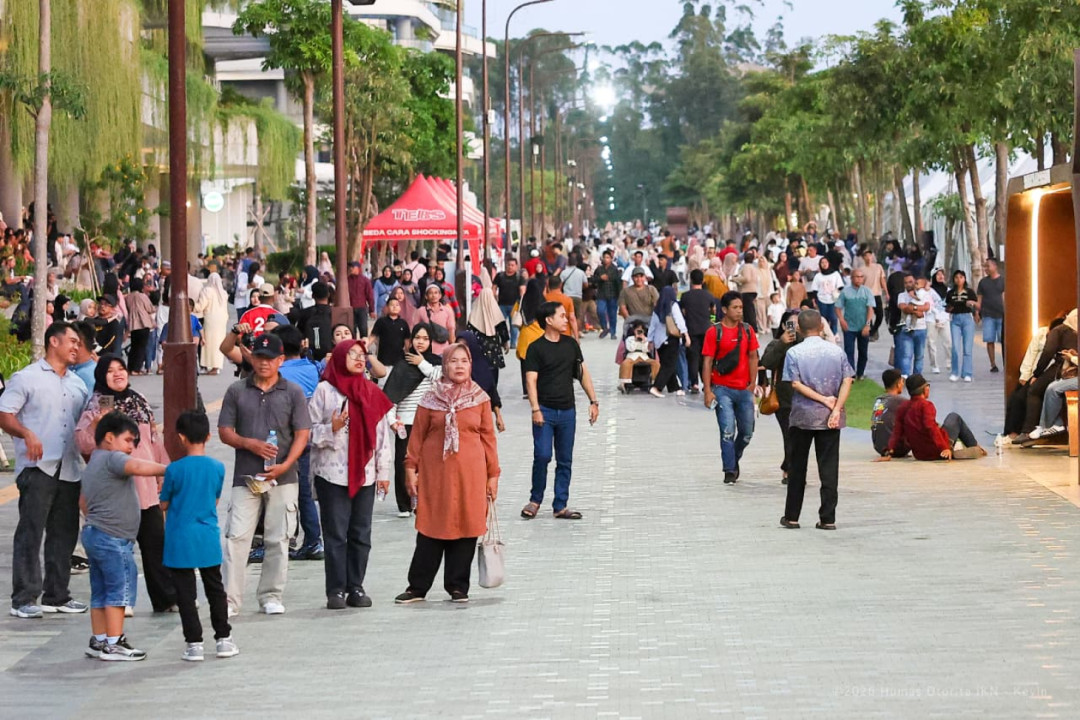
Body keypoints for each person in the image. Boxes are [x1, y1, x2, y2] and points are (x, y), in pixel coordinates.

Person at [396, 343, 500, 604]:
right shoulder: (430, 399)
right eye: (453, 361)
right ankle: (417, 587)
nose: (459, 366)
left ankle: (457, 586)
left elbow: (488, 439)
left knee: (466, 525)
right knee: (431, 526)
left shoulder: (480, 398)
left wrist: (493, 475)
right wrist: (410, 468)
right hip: (435, 475)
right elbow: (417, 437)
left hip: (471, 475)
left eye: (464, 361)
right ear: (444, 365)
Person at [218, 332, 312, 616]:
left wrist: (286, 464)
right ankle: (230, 599)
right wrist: (249, 444)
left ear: (281, 360)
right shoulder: (237, 390)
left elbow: (302, 434)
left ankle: (271, 595)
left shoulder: (293, 392)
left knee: (278, 537)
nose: (264, 363)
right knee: (237, 537)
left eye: (270, 359)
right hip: (245, 476)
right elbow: (224, 432)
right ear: (251, 357)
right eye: (259, 357)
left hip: (283, 476)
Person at [2, 323, 89, 619]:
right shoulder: (26, 378)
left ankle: (57, 595)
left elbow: (86, 421)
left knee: (64, 533)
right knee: (30, 532)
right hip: (38, 467)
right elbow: (5, 414)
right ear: (54, 341)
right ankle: (24, 598)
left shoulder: (77, 384)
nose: (77, 347)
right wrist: (26, 434)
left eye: (79, 343)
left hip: (69, 468)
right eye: (72, 341)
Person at [75, 356, 175, 613]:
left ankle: (165, 598)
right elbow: (84, 444)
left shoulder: (139, 400)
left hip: (147, 488)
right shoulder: (95, 406)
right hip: (115, 490)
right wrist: (98, 422)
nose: (118, 374)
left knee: (155, 544)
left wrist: (163, 477)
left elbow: (154, 440)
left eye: (121, 369)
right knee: (119, 549)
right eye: (110, 371)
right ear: (100, 376)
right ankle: (122, 600)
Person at [310, 340, 395, 609]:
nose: (359, 359)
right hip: (331, 474)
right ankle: (335, 590)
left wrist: (384, 472)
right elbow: (307, 431)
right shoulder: (325, 391)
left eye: (362, 355)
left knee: (361, 532)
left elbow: (382, 437)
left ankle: (355, 587)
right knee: (335, 534)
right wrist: (330, 428)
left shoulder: (371, 391)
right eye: (352, 355)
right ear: (338, 358)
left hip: (365, 473)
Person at [79, 411, 168, 661]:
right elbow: (137, 467)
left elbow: (83, 501)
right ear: (109, 437)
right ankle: (115, 643)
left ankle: (99, 640)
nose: (131, 447)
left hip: (94, 533)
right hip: (113, 539)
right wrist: (169, 470)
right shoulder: (112, 458)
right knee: (120, 589)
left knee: (100, 592)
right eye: (128, 440)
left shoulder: (94, 461)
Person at [160, 411, 239, 662]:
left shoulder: (174, 469)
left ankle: (194, 643)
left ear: (181, 437)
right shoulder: (217, 467)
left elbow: (164, 504)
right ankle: (223, 638)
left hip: (179, 537)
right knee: (215, 588)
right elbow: (215, 499)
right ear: (208, 436)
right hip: (206, 535)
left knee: (185, 594)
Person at [521, 301, 599, 520]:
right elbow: (531, 380)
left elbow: (582, 372)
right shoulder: (535, 348)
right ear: (549, 320)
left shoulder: (571, 345)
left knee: (565, 459)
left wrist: (594, 401)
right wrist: (535, 409)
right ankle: (535, 500)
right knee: (543, 455)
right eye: (562, 316)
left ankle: (560, 505)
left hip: (567, 411)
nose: (566, 319)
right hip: (544, 410)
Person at [778, 309, 854, 531]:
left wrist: (821, 399)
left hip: (803, 416)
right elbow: (847, 380)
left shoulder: (794, 353)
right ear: (822, 327)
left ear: (799, 328)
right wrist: (835, 406)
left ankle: (792, 516)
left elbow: (794, 383)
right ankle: (828, 518)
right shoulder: (836, 352)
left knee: (798, 467)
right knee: (829, 468)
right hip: (831, 417)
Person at [272, 325, 324, 561]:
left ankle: (309, 540)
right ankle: (310, 540)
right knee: (304, 492)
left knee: (282, 492)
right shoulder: (313, 368)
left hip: (286, 441)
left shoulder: (278, 373)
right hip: (312, 438)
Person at [381, 324, 442, 517]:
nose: (421, 342)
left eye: (425, 338)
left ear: (430, 341)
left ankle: (424, 500)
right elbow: (390, 397)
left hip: (430, 422)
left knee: (428, 463)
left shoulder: (435, 363)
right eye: (417, 338)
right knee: (403, 462)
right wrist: (391, 420)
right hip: (406, 422)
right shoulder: (402, 365)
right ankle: (405, 504)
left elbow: (440, 380)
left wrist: (421, 363)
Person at [702, 292, 759, 484]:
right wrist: (708, 390)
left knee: (747, 432)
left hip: (744, 389)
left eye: (741, 307)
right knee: (727, 430)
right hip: (721, 388)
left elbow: (753, 357)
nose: (739, 311)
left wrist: (753, 383)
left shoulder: (748, 330)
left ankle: (734, 459)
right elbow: (707, 361)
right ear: (724, 310)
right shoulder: (714, 332)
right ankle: (729, 470)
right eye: (735, 307)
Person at [878, 374, 987, 461]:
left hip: (920, 454)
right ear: (925, 389)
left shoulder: (903, 407)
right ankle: (975, 446)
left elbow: (897, 432)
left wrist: (889, 451)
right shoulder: (926, 405)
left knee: (941, 424)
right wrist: (944, 448)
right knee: (954, 417)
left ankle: (969, 448)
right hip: (938, 450)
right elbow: (931, 428)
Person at [760, 310, 800, 484]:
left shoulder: (808, 343)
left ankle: (789, 466)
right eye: (792, 323)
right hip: (784, 399)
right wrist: (782, 344)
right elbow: (767, 363)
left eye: (800, 323)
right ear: (784, 326)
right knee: (790, 435)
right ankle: (791, 471)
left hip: (805, 398)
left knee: (800, 438)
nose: (795, 327)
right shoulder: (776, 343)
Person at [680, 269, 717, 392]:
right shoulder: (708, 295)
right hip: (706, 330)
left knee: (693, 357)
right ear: (703, 280)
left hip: (692, 330)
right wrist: (710, 318)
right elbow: (714, 311)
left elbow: (683, 312)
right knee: (706, 357)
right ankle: (708, 382)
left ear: (691, 280)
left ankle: (694, 383)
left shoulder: (685, 296)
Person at [648, 285, 689, 397]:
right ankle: (657, 387)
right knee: (669, 365)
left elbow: (652, 325)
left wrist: (650, 341)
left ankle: (674, 388)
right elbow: (679, 322)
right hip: (671, 339)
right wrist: (686, 335)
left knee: (666, 364)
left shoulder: (657, 308)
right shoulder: (673, 305)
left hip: (659, 342)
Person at [835, 268, 874, 379]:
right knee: (849, 351)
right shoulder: (845, 292)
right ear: (852, 278)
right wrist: (841, 320)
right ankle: (850, 374)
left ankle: (860, 373)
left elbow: (870, 309)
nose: (859, 279)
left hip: (863, 326)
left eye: (861, 277)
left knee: (863, 352)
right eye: (857, 276)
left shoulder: (867, 291)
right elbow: (837, 307)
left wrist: (867, 324)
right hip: (849, 326)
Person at [895, 273, 931, 377]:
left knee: (919, 355)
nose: (908, 284)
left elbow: (927, 307)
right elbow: (904, 308)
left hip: (921, 329)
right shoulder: (901, 295)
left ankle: (917, 377)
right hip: (906, 329)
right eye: (905, 283)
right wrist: (917, 311)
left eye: (910, 282)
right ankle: (905, 375)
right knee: (906, 354)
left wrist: (914, 309)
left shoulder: (924, 293)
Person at [945, 270, 978, 382]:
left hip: (967, 318)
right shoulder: (950, 293)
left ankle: (967, 373)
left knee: (967, 348)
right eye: (956, 277)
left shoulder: (969, 292)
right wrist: (949, 308)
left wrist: (972, 304)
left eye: (961, 277)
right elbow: (946, 307)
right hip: (955, 319)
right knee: (955, 347)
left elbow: (977, 304)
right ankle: (954, 372)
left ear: (964, 279)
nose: (959, 280)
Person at [194, 272, 229, 375]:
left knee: (209, 343)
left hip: (211, 319)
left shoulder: (207, 291)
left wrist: (191, 306)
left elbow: (201, 306)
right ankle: (216, 366)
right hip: (222, 319)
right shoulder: (223, 292)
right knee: (219, 342)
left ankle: (210, 366)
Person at [976, 259, 1005, 373]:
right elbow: (979, 299)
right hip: (987, 314)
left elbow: (1005, 297)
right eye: (985, 267)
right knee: (989, 340)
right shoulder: (983, 282)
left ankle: (1005, 362)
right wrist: (977, 312)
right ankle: (993, 364)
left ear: (995, 266)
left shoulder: (1003, 281)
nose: (986, 269)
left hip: (1001, 315)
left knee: (1003, 340)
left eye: (988, 266)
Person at [871, 369, 907, 457]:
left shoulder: (879, 399)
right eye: (902, 382)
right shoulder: (900, 401)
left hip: (878, 446)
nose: (903, 384)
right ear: (898, 384)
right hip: (895, 448)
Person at [369, 297, 411, 369]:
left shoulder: (403, 323)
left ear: (400, 308)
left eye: (397, 305)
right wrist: (364, 346)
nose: (394, 307)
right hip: (383, 360)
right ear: (387, 307)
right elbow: (373, 337)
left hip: (399, 361)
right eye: (392, 305)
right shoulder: (381, 321)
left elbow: (407, 342)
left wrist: (409, 357)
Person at [125, 278, 154, 375]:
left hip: (133, 324)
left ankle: (130, 367)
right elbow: (150, 308)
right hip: (143, 323)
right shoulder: (142, 296)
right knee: (141, 347)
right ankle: (136, 369)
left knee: (134, 346)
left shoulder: (128, 297)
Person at [493, 258, 526, 346]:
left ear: (516, 266)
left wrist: (522, 304)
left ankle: (513, 344)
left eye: (512, 265)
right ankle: (503, 341)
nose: (510, 267)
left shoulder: (519, 277)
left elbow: (522, 290)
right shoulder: (500, 276)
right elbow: (494, 288)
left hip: (514, 305)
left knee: (514, 326)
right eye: (508, 265)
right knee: (500, 325)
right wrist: (493, 298)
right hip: (501, 305)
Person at [591, 249, 622, 339]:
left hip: (613, 295)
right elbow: (593, 280)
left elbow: (618, 283)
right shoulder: (599, 269)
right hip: (602, 294)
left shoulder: (614, 269)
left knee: (612, 314)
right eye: (604, 257)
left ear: (611, 259)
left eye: (608, 257)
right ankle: (605, 327)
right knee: (600, 311)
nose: (606, 259)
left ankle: (613, 332)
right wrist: (600, 278)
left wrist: (620, 296)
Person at [810, 257, 845, 335]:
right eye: (822, 263)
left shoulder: (835, 274)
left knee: (833, 318)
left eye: (826, 262)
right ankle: (824, 333)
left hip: (833, 300)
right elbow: (814, 289)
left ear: (829, 263)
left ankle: (834, 333)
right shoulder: (818, 276)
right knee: (823, 319)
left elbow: (840, 286)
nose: (824, 264)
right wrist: (814, 300)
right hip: (822, 300)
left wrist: (837, 294)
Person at [347, 261, 375, 338]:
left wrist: (371, 310)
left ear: (358, 268)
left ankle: (364, 347)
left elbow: (370, 295)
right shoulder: (347, 280)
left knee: (363, 329)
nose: (351, 269)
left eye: (353, 267)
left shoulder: (365, 280)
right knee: (352, 330)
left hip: (362, 308)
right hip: (350, 308)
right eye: (350, 267)